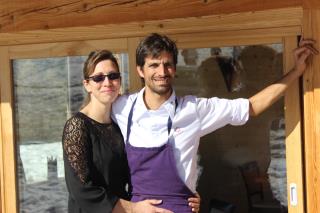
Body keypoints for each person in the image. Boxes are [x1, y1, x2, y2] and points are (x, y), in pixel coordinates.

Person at [112, 33, 318, 212]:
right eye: (154, 65)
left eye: (167, 64)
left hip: (180, 208)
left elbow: (252, 106)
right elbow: (89, 113)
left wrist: (297, 72)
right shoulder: (122, 107)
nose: (162, 72)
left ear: (175, 69)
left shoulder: (193, 109)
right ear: (140, 70)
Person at [62, 50, 200, 213]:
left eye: (113, 76)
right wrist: (133, 208)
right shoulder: (77, 127)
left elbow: (141, 172)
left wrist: (184, 195)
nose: (107, 82)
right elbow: (82, 190)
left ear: (119, 80)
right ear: (87, 84)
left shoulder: (120, 124)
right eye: (98, 77)